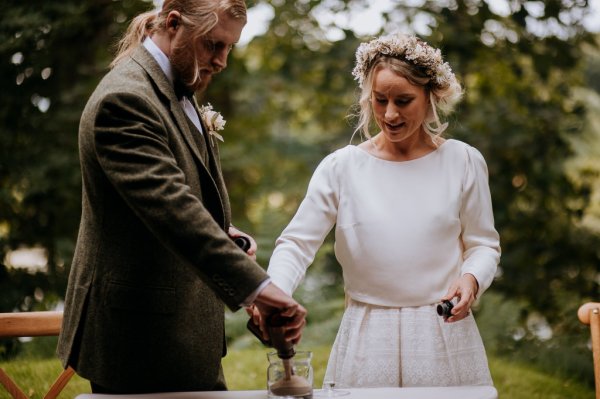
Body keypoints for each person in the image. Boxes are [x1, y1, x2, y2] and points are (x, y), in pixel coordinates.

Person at [57, 0, 306, 394]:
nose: (222, 60)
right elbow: (172, 207)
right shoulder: (125, 100)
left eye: (229, 48)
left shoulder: (177, 86)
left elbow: (180, 196)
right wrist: (258, 287)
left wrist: (229, 236)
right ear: (174, 23)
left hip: (182, 332)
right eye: (213, 44)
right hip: (140, 338)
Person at [263, 33, 500, 387]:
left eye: (404, 100)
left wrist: (472, 278)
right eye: (380, 100)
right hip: (367, 332)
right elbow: (296, 244)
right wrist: (274, 295)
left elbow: (483, 244)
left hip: (443, 329)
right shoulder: (340, 167)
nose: (390, 114)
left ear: (430, 96)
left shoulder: (463, 160)